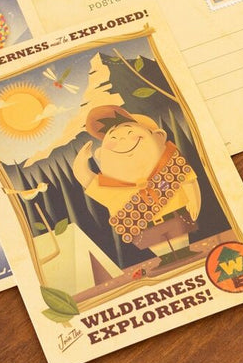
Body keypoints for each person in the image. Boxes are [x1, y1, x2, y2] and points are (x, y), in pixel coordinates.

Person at [73, 105, 202, 271]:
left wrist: (193, 198)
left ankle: (184, 251)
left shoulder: (171, 165)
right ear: (100, 155)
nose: (123, 141)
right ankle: (166, 258)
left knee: (179, 235)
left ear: (159, 137)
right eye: (114, 138)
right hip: (143, 225)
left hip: (176, 214)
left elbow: (188, 180)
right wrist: (80, 163)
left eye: (129, 132)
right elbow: (87, 180)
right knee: (155, 241)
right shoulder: (113, 187)